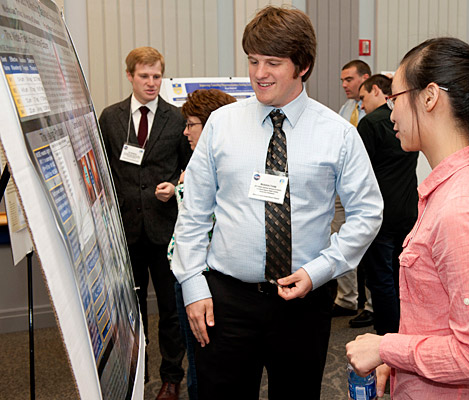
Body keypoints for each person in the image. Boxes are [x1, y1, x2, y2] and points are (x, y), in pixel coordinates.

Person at [171, 6, 383, 399]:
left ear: (302, 65)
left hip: (304, 302)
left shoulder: (337, 134)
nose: (259, 73)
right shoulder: (221, 125)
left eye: (273, 62)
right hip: (227, 302)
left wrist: (321, 269)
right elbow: (194, 211)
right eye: (253, 60)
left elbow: (367, 213)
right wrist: (192, 284)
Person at [346, 37, 469, 399]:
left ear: (429, 97)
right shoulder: (454, 189)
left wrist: (386, 348)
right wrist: (400, 361)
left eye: (395, 98)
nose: (390, 112)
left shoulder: (460, 208)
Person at [99, 46, 190, 400]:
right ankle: (137, 373)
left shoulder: (177, 117)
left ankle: (171, 377)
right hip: (125, 231)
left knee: (170, 310)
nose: (152, 83)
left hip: (165, 229)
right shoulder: (110, 117)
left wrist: (175, 187)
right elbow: (102, 170)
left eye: (157, 76)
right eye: (144, 76)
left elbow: (190, 169)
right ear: (129, 76)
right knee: (130, 311)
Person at [167, 89, 236, 400]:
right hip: (192, 272)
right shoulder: (202, 162)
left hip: (203, 279)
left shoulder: (214, 166)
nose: (185, 131)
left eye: (191, 124)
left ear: (209, 125)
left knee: (203, 365)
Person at [356, 74, 418, 335]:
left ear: (376, 90)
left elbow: (358, 172)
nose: (361, 104)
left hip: (379, 215)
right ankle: (403, 333)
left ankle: (386, 339)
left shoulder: (369, 124)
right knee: (400, 278)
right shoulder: (409, 123)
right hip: (408, 211)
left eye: (362, 97)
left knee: (380, 280)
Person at [333, 59, 375, 329]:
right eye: (342, 81)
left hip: (365, 185)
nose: (345, 85)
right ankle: (347, 298)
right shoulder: (346, 109)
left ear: (365, 78)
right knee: (338, 238)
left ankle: (372, 304)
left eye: (349, 79)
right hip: (340, 184)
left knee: (370, 244)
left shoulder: (380, 110)